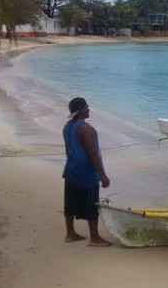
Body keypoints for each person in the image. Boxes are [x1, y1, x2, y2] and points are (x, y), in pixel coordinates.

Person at [62, 97, 112, 247]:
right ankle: (95, 238)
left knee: (69, 203)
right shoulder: (86, 129)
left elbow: (68, 150)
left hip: (71, 170)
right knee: (92, 205)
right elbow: (93, 154)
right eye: (87, 107)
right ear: (81, 109)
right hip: (86, 173)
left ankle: (70, 234)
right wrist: (103, 175)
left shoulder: (67, 126)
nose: (89, 109)